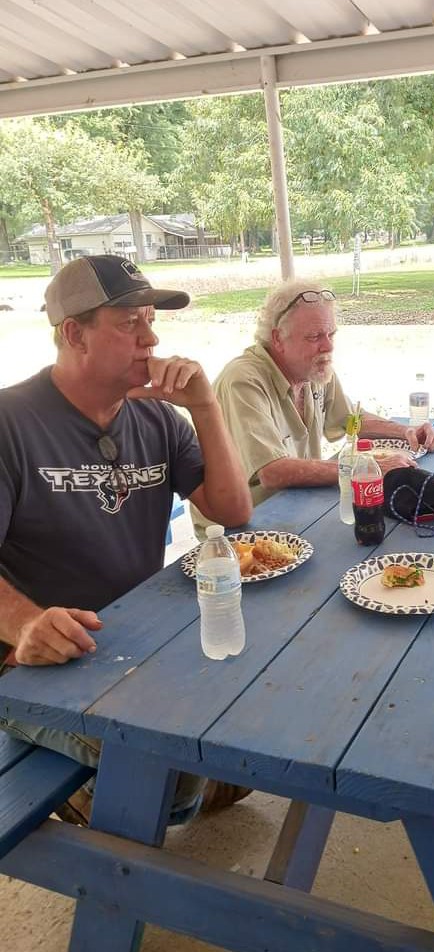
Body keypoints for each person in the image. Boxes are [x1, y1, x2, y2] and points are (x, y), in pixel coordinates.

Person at [0, 254, 254, 823]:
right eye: (129, 322)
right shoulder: (10, 423)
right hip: (33, 661)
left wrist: (205, 407)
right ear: (74, 334)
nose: (151, 338)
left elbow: (232, 511)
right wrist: (25, 624)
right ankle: (112, 792)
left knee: (254, 711)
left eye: (151, 320)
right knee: (168, 775)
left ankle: (186, 780)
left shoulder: (158, 419)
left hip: (135, 635)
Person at [195, 279, 434, 523]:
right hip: (243, 526)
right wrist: (364, 469)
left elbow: (350, 421)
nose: (328, 346)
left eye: (331, 334)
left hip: (298, 505)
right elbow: (272, 472)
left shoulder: (312, 369)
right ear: (278, 338)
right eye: (314, 337)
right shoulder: (243, 381)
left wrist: (406, 432)